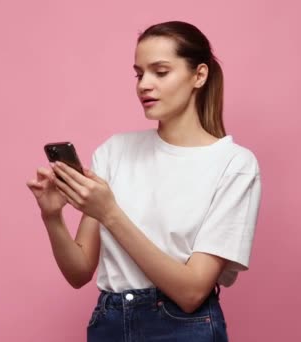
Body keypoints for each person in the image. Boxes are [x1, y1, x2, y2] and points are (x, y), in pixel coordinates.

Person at [26, 20, 262, 342]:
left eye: (160, 72)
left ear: (199, 75)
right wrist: (52, 216)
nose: (143, 85)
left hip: (183, 329)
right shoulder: (114, 151)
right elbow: (79, 271)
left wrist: (110, 213)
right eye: (139, 74)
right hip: (110, 324)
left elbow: (192, 291)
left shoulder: (233, 165)